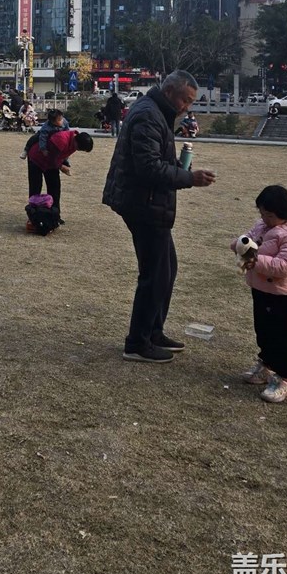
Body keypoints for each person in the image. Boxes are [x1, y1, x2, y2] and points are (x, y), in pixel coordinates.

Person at [102, 71, 216, 363]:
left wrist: (178, 166)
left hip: (148, 202)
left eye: (190, 102)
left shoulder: (157, 112)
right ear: (169, 92)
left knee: (166, 269)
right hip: (142, 203)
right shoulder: (148, 115)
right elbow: (148, 168)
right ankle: (137, 343)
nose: (186, 107)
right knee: (155, 274)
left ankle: (153, 331)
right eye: (184, 100)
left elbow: (156, 157)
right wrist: (189, 178)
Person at [231, 184, 287, 404]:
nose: (265, 219)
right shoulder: (262, 226)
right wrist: (239, 244)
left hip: (281, 296)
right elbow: (248, 238)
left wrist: (256, 261)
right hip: (260, 290)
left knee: (282, 337)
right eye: (262, 214)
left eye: (270, 215)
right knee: (263, 331)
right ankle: (266, 365)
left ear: (284, 213)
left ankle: (284, 379)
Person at [27, 128, 94, 217]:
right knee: (35, 187)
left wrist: (64, 163)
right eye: (79, 148)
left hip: (52, 163)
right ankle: (33, 216)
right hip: (37, 159)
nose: (78, 150)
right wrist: (61, 167)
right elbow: (51, 158)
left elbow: (61, 156)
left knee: (54, 189)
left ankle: (55, 215)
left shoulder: (75, 143)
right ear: (76, 141)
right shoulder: (61, 139)